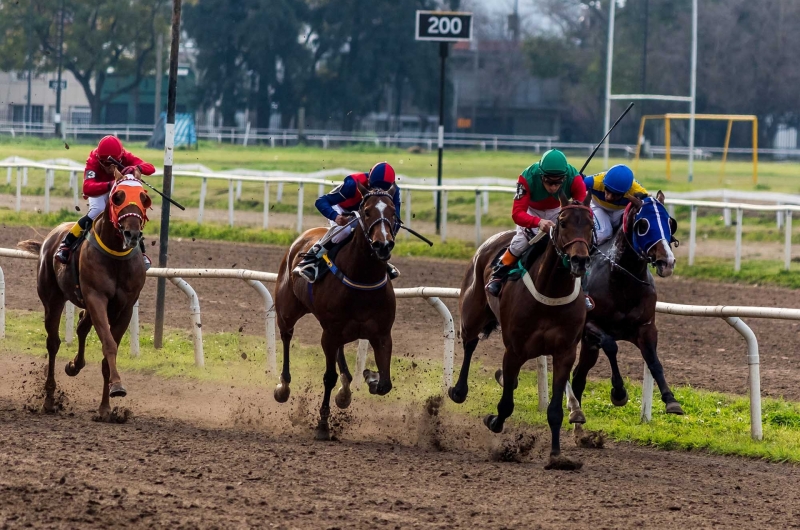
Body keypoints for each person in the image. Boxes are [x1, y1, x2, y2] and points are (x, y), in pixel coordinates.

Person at [485, 149, 588, 298]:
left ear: (564, 177)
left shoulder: (575, 179)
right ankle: (498, 275)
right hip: (532, 212)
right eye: (549, 182)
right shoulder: (527, 178)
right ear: (541, 176)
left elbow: (584, 211)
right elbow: (517, 214)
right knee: (519, 243)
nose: (553, 187)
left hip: (559, 211)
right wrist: (538, 222)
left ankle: (584, 287)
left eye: (558, 182)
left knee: (580, 245)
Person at [55, 135, 156, 267]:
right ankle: (66, 245)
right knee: (97, 211)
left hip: (118, 190)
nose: (112, 167)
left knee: (131, 213)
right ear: (99, 159)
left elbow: (151, 168)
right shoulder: (93, 160)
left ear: (121, 156)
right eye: (107, 163)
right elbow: (87, 188)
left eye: (116, 162)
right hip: (99, 190)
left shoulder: (126, 155)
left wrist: (138, 168)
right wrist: (111, 184)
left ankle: (141, 252)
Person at [293, 162, 401, 283]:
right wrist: (336, 217)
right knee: (344, 231)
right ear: (369, 175)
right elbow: (321, 201)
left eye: (383, 190)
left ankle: (381, 262)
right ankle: (310, 260)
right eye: (373, 187)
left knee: (375, 233)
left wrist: (386, 240)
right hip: (340, 209)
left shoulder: (394, 191)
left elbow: (396, 220)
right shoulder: (352, 184)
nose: (377, 192)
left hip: (368, 214)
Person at [584, 164, 648, 245]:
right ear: (604, 183)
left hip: (620, 211)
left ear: (627, 191)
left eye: (616, 194)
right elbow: (576, 185)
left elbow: (649, 205)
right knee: (604, 233)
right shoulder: (594, 181)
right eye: (607, 190)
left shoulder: (638, 191)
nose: (609, 198)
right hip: (598, 207)